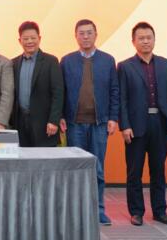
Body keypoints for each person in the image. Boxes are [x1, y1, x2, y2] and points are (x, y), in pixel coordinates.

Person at [118, 22, 167, 226]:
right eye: (141, 38)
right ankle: (136, 212)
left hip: (160, 124)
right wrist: (124, 126)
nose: (145, 41)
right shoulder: (125, 66)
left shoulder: (165, 64)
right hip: (135, 126)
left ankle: (160, 211)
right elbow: (122, 99)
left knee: (158, 170)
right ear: (133, 41)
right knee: (134, 171)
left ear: (154, 39)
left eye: (149, 37)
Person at [59, 19, 119, 225]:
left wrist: (113, 118)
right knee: (75, 169)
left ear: (96, 35)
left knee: (97, 169)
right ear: (75, 36)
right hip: (74, 124)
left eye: (89, 33)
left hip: (99, 124)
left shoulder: (108, 60)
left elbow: (114, 91)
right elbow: (61, 92)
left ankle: (98, 210)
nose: (85, 37)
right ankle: (76, 211)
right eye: (81, 33)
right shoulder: (67, 61)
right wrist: (61, 116)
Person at [11, 21, 63, 148]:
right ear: (19, 41)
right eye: (25, 39)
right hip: (20, 123)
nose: (29, 41)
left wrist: (54, 121)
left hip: (45, 124)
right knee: (22, 157)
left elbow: (58, 93)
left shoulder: (51, 61)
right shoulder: (13, 63)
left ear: (39, 38)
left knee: (45, 159)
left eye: (33, 38)